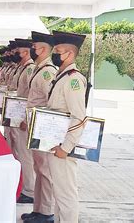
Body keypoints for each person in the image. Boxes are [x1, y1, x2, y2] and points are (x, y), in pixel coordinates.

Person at [46, 31, 87, 222]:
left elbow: (79, 117)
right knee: (59, 191)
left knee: (66, 194)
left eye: (58, 51)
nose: (54, 55)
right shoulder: (61, 75)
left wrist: (66, 148)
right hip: (55, 143)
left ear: (69, 54)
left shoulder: (73, 79)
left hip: (63, 146)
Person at [19, 31, 58, 223]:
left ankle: (47, 211)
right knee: (38, 167)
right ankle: (39, 209)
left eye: (34, 48)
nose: (31, 50)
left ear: (42, 49)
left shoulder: (48, 72)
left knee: (45, 170)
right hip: (35, 124)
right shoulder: (39, 69)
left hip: (43, 126)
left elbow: (51, 101)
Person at [6, 39, 36, 204]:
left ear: (25, 52)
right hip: (15, 113)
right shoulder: (21, 68)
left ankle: (29, 190)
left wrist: (27, 118)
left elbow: (33, 96)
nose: (13, 54)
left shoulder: (31, 69)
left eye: (17, 51)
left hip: (23, 116)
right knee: (17, 151)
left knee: (25, 155)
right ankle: (22, 185)